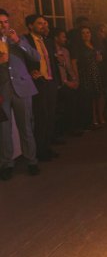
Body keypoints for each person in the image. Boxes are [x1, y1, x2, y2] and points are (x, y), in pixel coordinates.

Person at [0, 9, 41, 180]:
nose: (3, 26)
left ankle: (31, 160)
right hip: (2, 91)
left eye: (5, 22)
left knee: (26, 126)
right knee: (3, 130)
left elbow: (36, 57)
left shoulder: (19, 39)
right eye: (0, 23)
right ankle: (7, 164)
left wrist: (17, 41)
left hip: (22, 88)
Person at [24, 14, 60, 161]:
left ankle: (47, 146)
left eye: (44, 23)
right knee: (41, 117)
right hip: (38, 82)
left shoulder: (48, 41)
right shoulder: (26, 40)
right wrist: (30, 71)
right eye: (39, 23)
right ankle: (40, 151)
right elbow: (23, 59)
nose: (43, 26)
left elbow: (52, 60)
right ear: (30, 26)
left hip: (51, 81)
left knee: (50, 115)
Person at [72, 26, 104, 128]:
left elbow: (99, 60)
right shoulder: (79, 47)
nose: (86, 35)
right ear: (80, 35)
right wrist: (76, 76)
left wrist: (99, 58)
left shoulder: (94, 45)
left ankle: (100, 116)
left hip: (96, 72)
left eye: (88, 32)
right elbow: (74, 62)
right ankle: (93, 118)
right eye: (83, 33)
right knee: (91, 97)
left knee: (98, 95)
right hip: (86, 73)